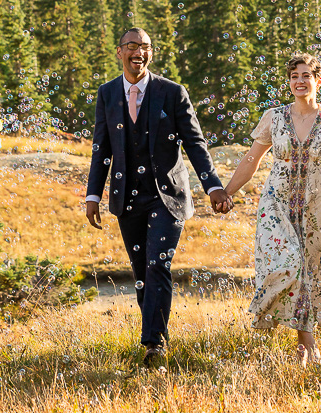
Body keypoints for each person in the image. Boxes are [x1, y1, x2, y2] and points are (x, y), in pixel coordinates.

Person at [84, 28, 231, 367]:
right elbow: (100, 148)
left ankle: (154, 345)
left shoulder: (172, 92)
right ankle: (155, 333)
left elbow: (195, 143)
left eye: (146, 47)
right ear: (119, 52)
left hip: (168, 197)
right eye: (133, 46)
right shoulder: (107, 94)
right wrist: (93, 194)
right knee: (140, 271)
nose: (140, 52)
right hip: (127, 199)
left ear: (152, 52)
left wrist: (213, 186)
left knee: (157, 265)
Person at [224, 53, 321, 365]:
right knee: (289, 262)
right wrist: (226, 192)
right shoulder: (274, 117)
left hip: (317, 206)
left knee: (309, 271)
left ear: (318, 81)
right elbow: (251, 160)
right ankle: (293, 336)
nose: (299, 81)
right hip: (276, 204)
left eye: (306, 75)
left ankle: (305, 346)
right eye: (294, 75)